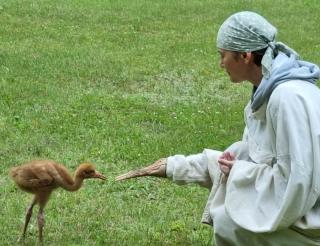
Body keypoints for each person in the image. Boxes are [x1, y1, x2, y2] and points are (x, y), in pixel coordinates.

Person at [116, 11, 320, 245]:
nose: (220, 64)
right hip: (301, 207)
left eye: (223, 55)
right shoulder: (268, 92)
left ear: (245, 56)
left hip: (311, 222)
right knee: (239, 153)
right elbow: (253, 157)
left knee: (228, 220)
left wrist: (238, 172)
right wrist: (174, 166)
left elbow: (298, 181)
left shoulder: (287, 98)